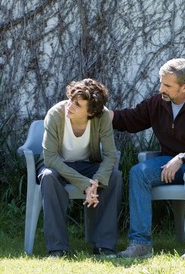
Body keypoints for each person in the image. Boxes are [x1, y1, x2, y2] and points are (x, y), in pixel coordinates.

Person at [112, 58, 185, 259]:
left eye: (167, 85)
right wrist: (103, 114)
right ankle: (140, 244)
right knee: (138, 173)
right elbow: (130, 120)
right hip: (169, 162)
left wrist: (182, 158)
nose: (161, 89)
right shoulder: (158, 103)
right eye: (161, 83)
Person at [38, 78, 122, 258]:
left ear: (91, 112)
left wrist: (96, 181)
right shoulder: (55, 114)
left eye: (77, 105)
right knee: (48, 177)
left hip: (87, 165)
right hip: (57, 165)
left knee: (114, 176)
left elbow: (110, 155)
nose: (70, 105)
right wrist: (85, 184)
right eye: (70, 100)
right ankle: (57, 249)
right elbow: (50, 158)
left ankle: (104, 246)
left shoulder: (103, 117)